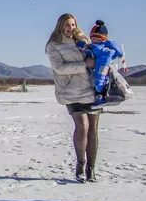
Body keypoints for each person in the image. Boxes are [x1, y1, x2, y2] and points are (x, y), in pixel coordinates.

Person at [46, 13, 100, 183]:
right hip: (70, 91)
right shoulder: (54, 46)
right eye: (67, 25)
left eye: (73, 25)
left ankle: (91, 169)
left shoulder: (83, 42)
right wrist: (85, 65)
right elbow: (59, 68)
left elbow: (96, 58)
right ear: (61, 26)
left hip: (91, 90)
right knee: (82, 126)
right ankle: (80, 165)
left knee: (93, 129)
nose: (71, 28)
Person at [73, 20, 124, 107]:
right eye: (92, 39)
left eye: (97, 39)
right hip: (99, 71)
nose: (94, 41)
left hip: (101, 72)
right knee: (99, 84)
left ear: (103, 39)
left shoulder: (104, 51)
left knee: (99, 85)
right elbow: (89, 50)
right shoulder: (97, 47)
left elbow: (102, 65)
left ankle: (100, 98)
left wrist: (99, 81)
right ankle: (100, 96)